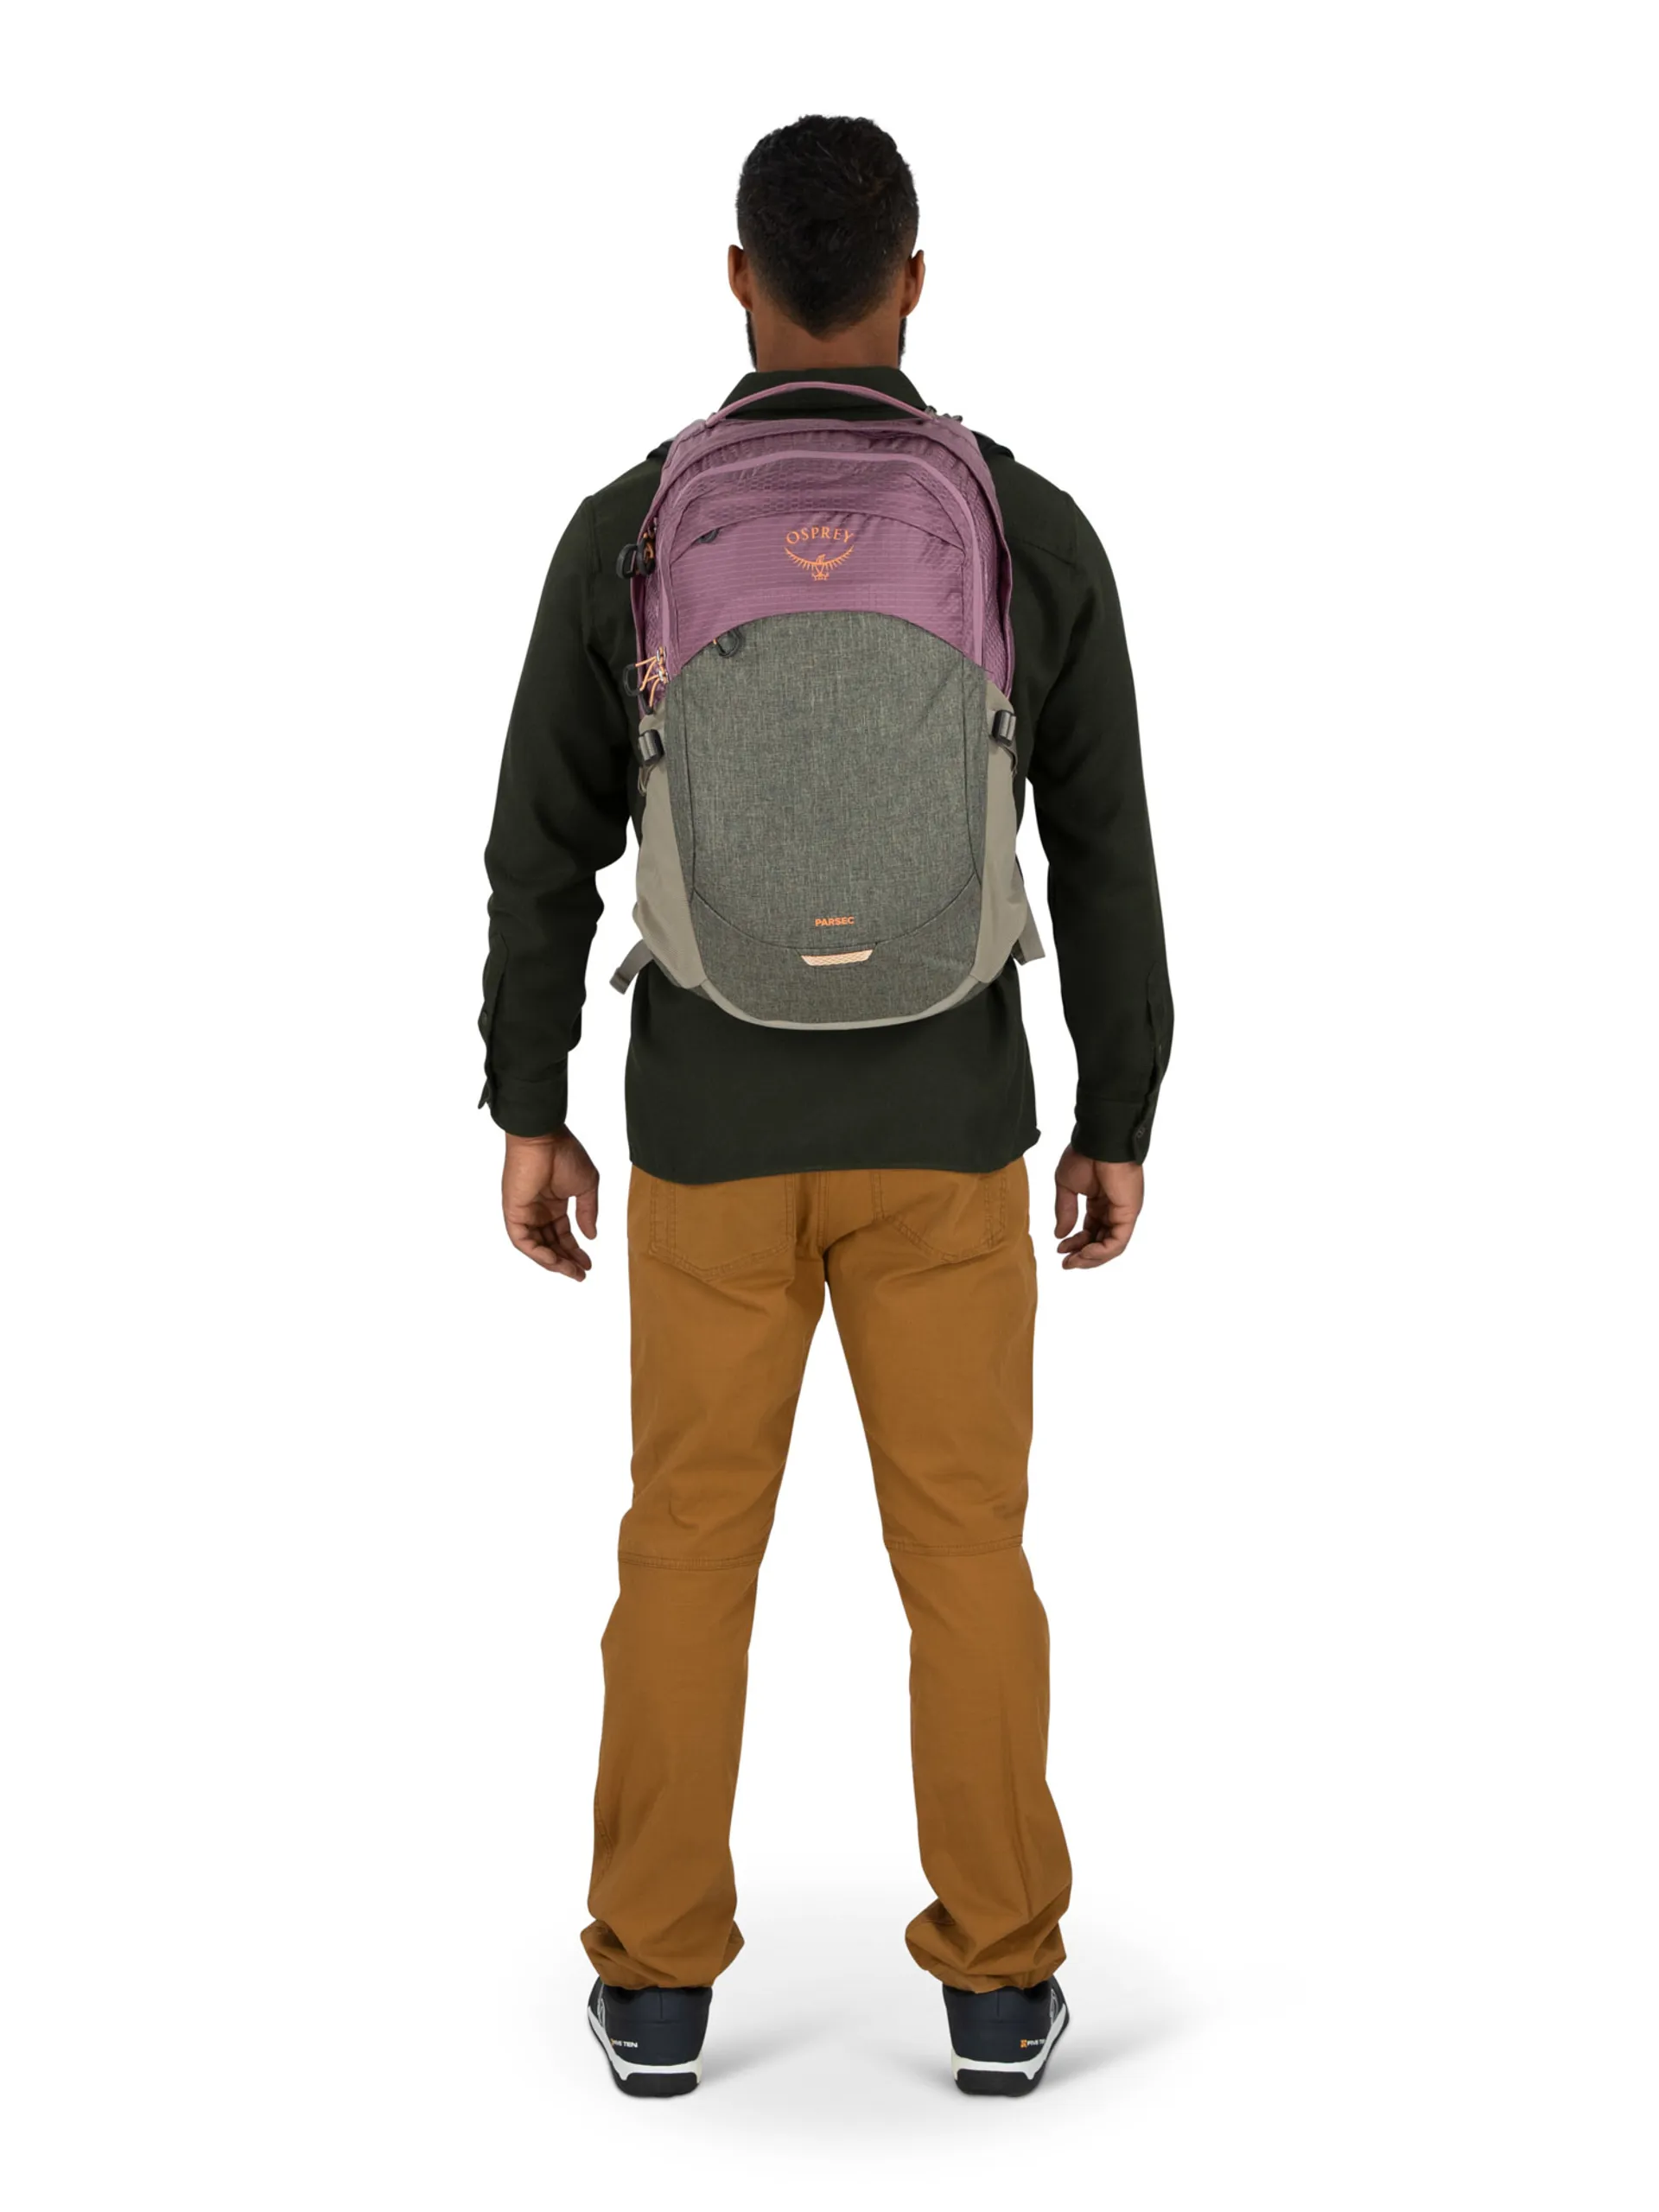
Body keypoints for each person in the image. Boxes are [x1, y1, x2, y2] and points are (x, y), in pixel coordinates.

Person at [479, 115, 1172, 2098]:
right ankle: (998, 1979)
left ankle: (657, 1982)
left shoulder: (631, 525)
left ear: (739, 278)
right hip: (950, 1120)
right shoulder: (1026, 527)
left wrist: (529, 1098)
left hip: (707, 1128)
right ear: (914, 281)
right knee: (966, 1554)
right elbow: (1104, 848)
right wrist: (1117, 1107)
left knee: (688, 1547)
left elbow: (541, 843)